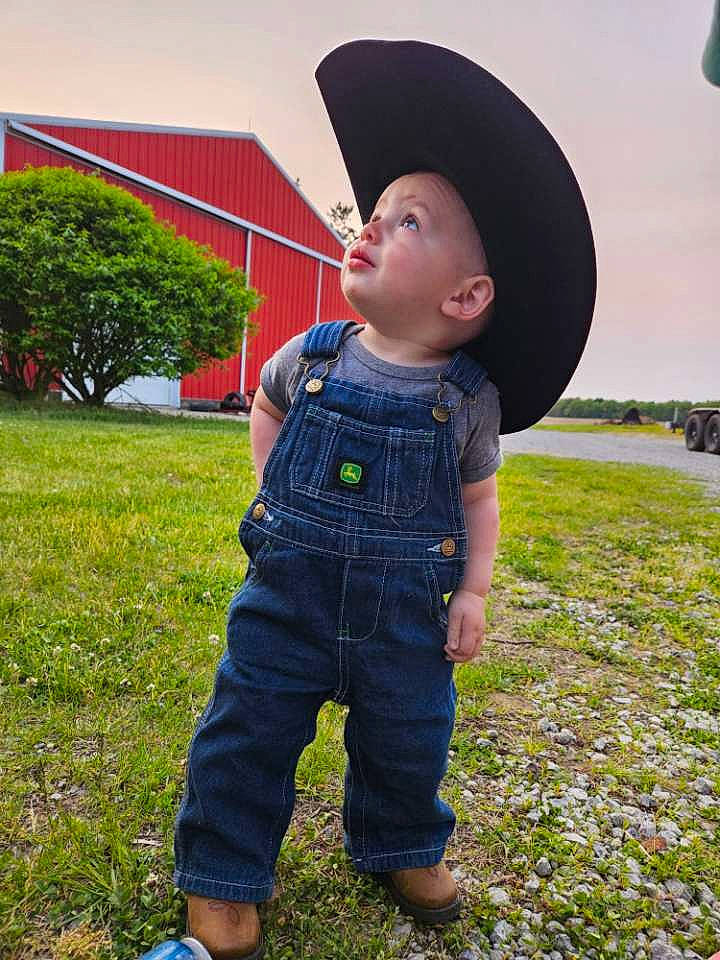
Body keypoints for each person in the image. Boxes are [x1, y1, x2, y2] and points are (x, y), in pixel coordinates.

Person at [172, 39, 597, 960]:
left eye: (408, 223)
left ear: (467, 293)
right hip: (288, 595)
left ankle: (402, 845)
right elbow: (267, 406)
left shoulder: (467, 400)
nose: (367, 227)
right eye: (374, 212)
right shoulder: (313, 355)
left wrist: (475, 591)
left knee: (410, 737)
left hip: (406, 619)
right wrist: (271, 496)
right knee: (246, 729)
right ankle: (224, 871)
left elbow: (478, 501)